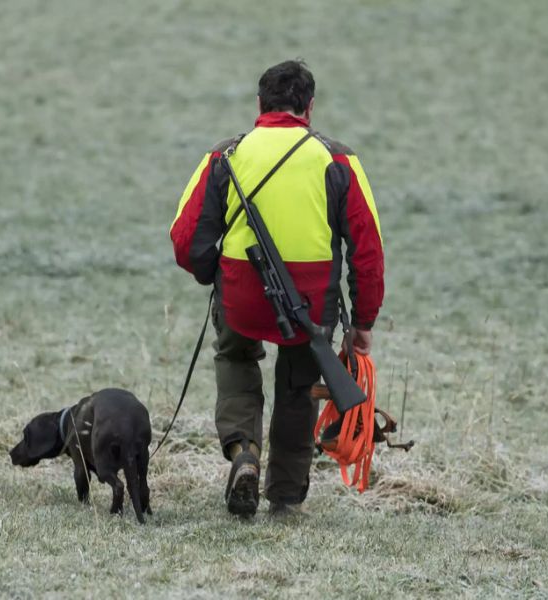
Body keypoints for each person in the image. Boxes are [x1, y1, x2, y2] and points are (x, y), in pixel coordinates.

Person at [170, 60, 384, 517]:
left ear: (259, 105)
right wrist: (362, 323)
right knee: (298, 387)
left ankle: (243, 453)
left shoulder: (226, 155)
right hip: (313, 304)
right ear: (309, 107)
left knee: (235, 357)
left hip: (242, 294)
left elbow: (186, 239)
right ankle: (285, 498)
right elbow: (367, 251)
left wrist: (214, 274)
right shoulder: (338, 159)